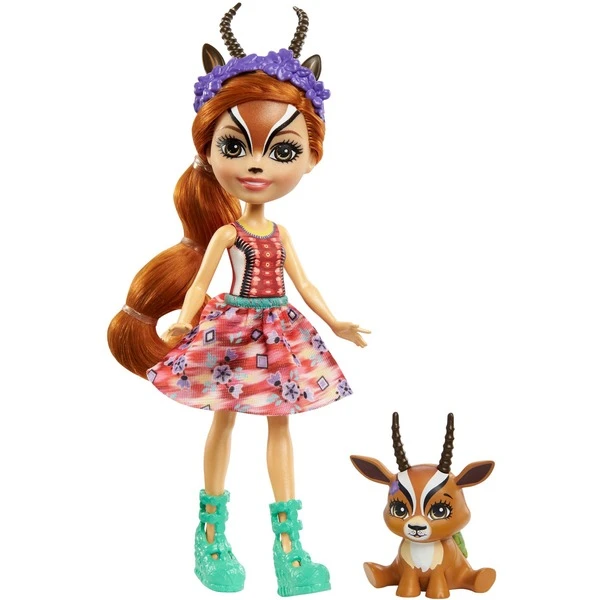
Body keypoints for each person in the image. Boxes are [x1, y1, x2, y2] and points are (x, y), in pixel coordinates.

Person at [107, 4, 369, 596]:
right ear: (208, 150)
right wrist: (182, 320)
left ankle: (289, 548)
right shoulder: (227, 234)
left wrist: (336, 322)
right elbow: (202, 283)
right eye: (234, 145)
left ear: (311, 157)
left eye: (283, 151)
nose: (256, 165)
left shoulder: (280, 233)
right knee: (223, 418)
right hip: (232, 329)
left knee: (280, 426)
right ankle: (211, 535)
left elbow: (305, 284)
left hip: (280, 330)